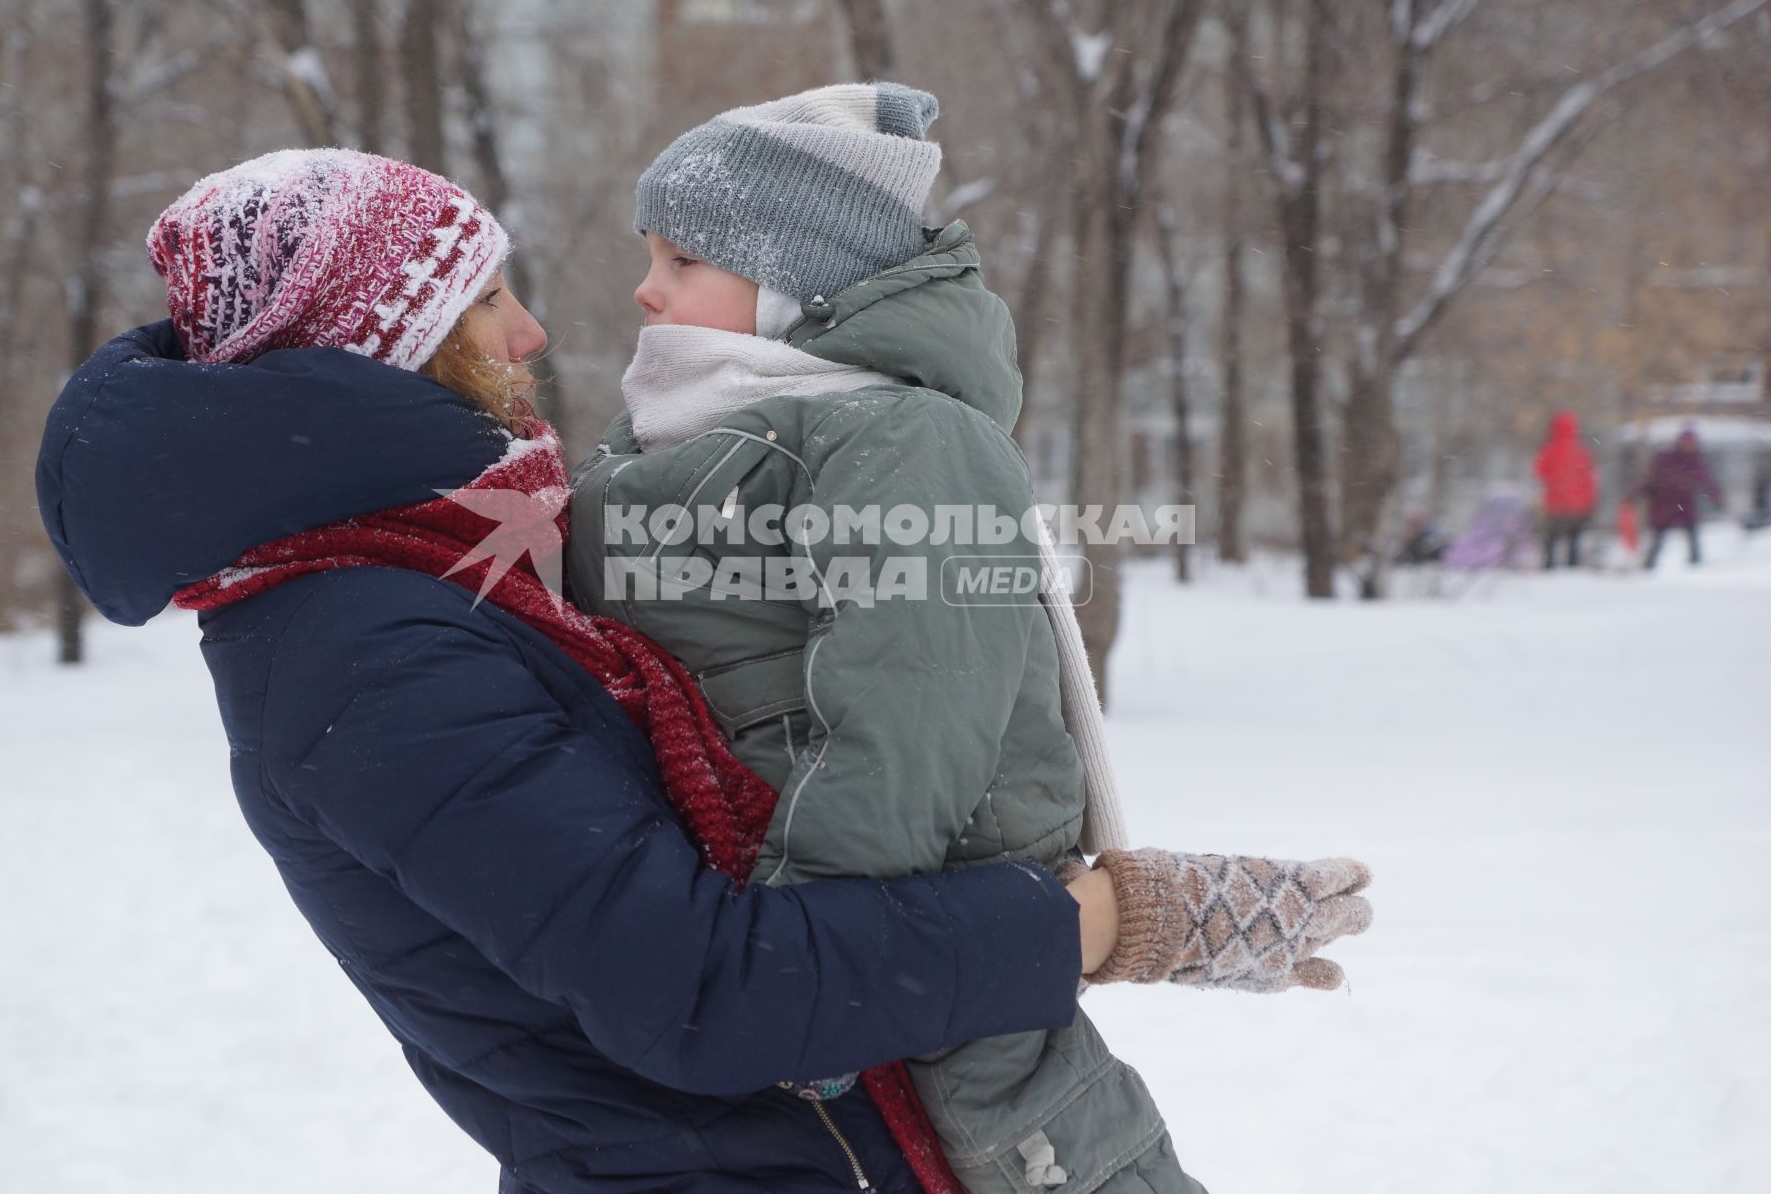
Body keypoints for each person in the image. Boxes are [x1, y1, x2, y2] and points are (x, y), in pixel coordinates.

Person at [33, 149, 1374, 1194]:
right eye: (487, 298)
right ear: (386, 345)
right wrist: (1108, 921)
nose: (536, 330)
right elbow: (706, 994)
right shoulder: (363, 659)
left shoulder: (430, 579)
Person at [570, 84, 1371, 1194]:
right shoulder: (695, 436)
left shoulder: (904, 437)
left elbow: (910, 720)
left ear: (795, 283)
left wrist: (806, 963)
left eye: (685, 262)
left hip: (897, 945)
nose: (646, 288)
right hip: (828, 960)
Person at [1633, 426, 1725, 569]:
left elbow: (1706, 480)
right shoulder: (1665, 458)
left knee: (1692, 534)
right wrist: (1635, 495)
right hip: (1664, 504)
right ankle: (1648, 567)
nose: (1689, 446)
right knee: (1659, 537)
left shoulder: (1695, 461)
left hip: (1684, 503)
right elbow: (1650, 479)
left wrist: (1717, 497)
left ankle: (1695, 566)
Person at [1533, 410, 1597, 570]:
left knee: (1551, 539)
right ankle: (1572, 568)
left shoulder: (1549, 450)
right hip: (1579, 505)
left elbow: (1539, 472)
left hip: (1555, 503)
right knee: (1573, 540)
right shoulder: (1581, 451)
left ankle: (1548, 567)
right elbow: (1590, 479)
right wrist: (1589, 501)